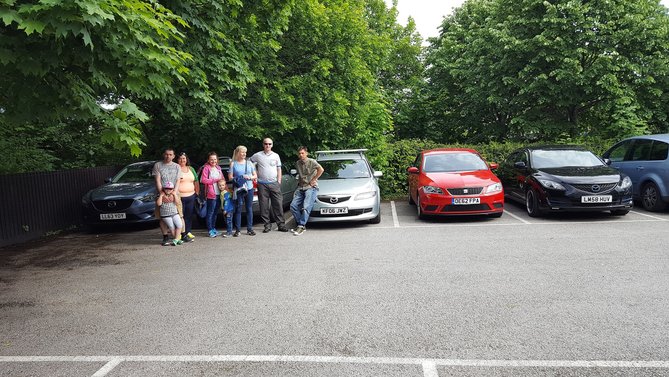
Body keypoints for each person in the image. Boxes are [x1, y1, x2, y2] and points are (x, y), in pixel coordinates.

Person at [249, 138, 288, 233]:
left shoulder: (276, 155)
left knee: (278, 204)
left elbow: (279, 169)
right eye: (266, 144)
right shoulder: (258, 155)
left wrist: (279, 180)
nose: (268, 146)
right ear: (263, 144)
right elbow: (249, 162)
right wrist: (254, 173)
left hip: (274, 183)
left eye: (270, 144)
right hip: (262, 184)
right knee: (264, 206)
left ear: (272, 145)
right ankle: (267, 225)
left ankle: (281, 225)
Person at [289, 146, 324, 236]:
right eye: (299, 153)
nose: (301, 155)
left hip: (310, 187)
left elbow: (321, 169)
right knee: (293, 206)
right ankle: (301, 225)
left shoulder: (312, 162)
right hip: (301, 188)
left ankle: (301, 225)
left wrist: (314, 179)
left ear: (306, 153)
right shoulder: (297, 163)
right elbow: (300, 176)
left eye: (302, 153)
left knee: (306, 207)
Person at [153, 148, 182, 246]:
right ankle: (165, 236)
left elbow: (178, 181)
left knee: (178, 214)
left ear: (173, 156)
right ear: (163, 155)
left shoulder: (177, 166)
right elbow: (158, 180)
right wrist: (163, 194)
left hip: (175, 194)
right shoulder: (158, 165)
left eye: (170, 154)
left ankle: (178, 237)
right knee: (162, 217)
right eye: (166, 154)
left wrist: (174, 193)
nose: (168, 156)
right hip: (161, 193)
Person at [228, 145, 257, 236]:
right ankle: (238, 230)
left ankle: (250, 229)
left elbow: (255, 175)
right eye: (242, 152)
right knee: (238, 209)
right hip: (239, 189)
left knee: (249, 208)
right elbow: (230, 177)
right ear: (237, 153)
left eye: (245, 152)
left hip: (249, 188)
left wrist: (250, 177)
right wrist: (240, 177)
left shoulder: (249, 163)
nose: (244, 154)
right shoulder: (233, 164)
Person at [200, 152, 224, 238]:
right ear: (208, 160)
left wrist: (225, 189)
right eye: (211, 159)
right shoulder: (206, 168)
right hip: (211, 194)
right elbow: (203, 180)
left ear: (217, 160)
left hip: (219, 193)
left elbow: (222, 179)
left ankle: (214, 229)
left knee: (215, 213)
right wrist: (215, 180)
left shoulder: (218, 168)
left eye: (215, 159)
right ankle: (210, 230)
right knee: (210, 213)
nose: (213, 161)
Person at [177, 152, 199, 242]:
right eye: (180, 158)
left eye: (184, 158)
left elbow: (196, 180)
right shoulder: (176, 169)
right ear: (177, 160)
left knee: (189, 215)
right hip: (179, 196)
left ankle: (188, 231)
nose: (182, 160)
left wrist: (197, 192)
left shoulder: (191, 169)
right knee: (179, 216)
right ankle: (179, 233)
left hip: (191, 195)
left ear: (186, 160)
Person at [156, 181, 183, 246]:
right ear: (163, 189)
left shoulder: (173, 195)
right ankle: (176, 239)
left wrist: (174, 194)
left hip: (174, 213)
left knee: (179, 225)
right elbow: (159, 204)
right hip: (166, 215)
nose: (168, 190)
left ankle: (176, 239)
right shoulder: (161, 195)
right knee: (171, 227)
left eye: (170, 189)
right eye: (166, 188)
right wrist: (161, 195)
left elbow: (177, 203)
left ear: (173, 189)